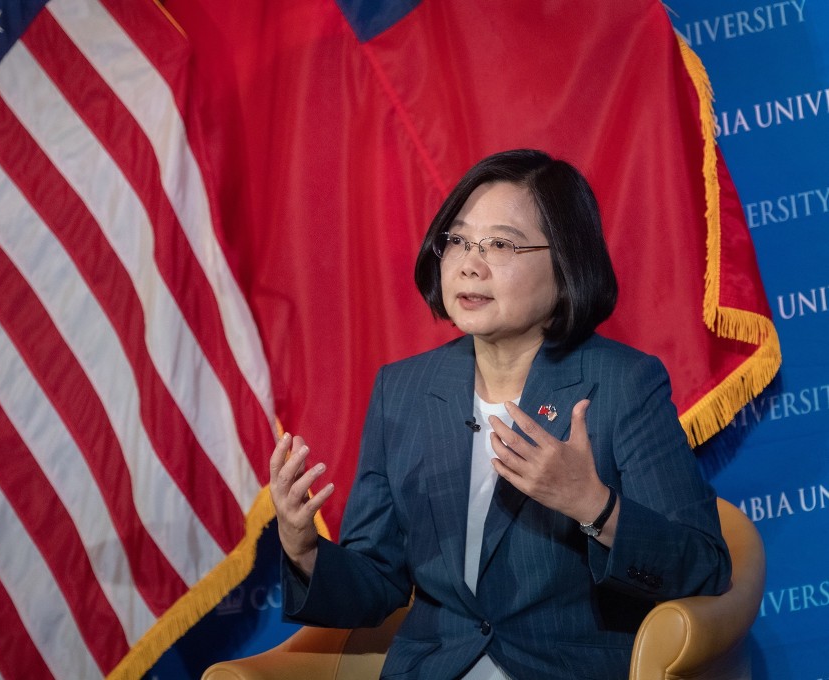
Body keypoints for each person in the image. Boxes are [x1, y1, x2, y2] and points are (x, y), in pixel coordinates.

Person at [269, 149, 731, 680]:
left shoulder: (623, 383)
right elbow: (379, 583)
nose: (469, 263)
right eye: (459, 241)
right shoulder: (403, 390)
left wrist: (594, 506)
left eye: (500, 244)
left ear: (566, 264)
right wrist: (303, 549)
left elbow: (706, 567)